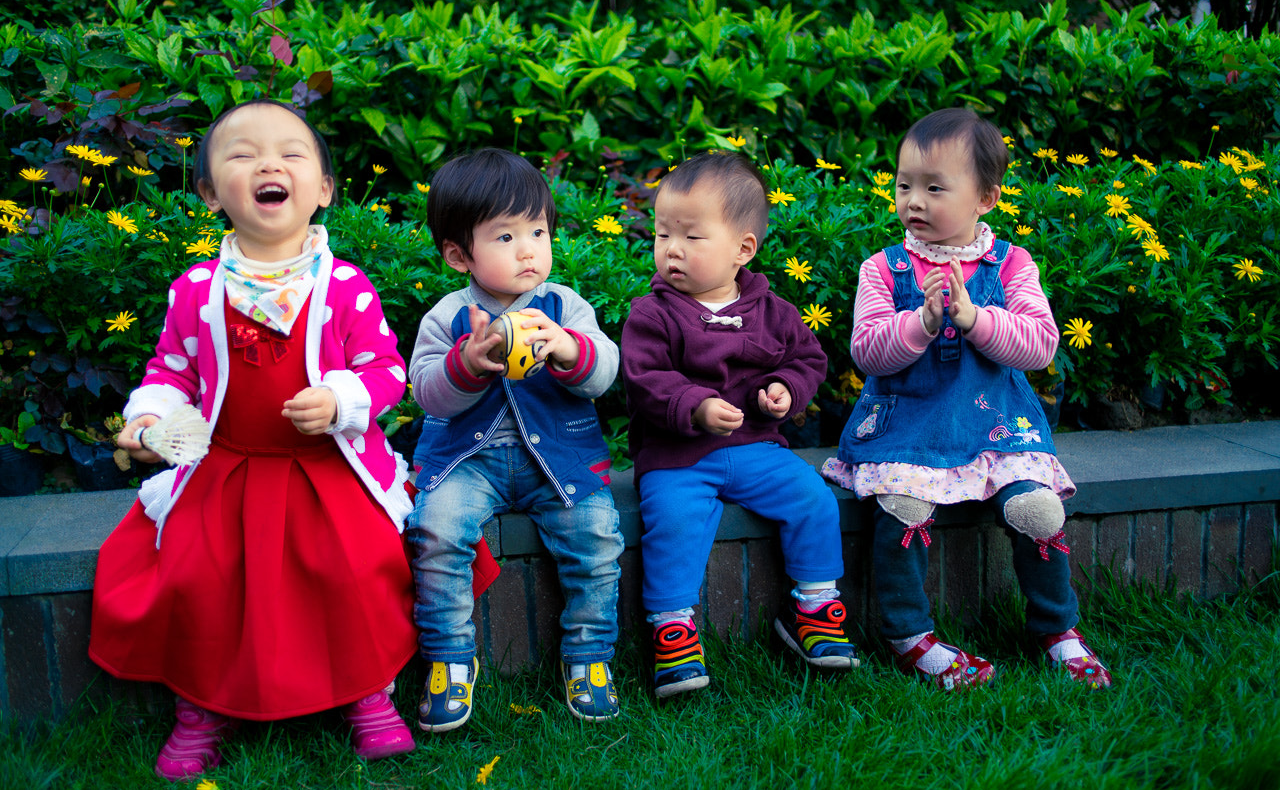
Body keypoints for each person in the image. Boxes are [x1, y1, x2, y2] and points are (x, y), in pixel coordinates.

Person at [91, 99, 420, 780]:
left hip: (325, 470)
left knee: (355, 566)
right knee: (196, 573)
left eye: (291, 152)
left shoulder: (346, 288)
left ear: (324, 190)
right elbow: (169, 372)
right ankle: (200, 707)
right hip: (227, 469)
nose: (269, 163)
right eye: (242, 154)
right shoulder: (198, 289)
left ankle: (368, 695)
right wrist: (151, 418)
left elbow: (387, 371)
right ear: (211, 192)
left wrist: (341, 399)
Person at [822, 107, 1112, 690]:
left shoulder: (1011, 265)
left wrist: (975, 318)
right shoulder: (883, 269)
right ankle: (909, 635)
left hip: (995, 425)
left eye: (935, 188)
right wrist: (922, 323)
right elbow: (867, 353)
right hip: (908, 425)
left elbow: (1039, 345)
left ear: (985, 197)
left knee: (1038, 510)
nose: (914, 201)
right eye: (905, 185)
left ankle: (1058, 629)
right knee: (902, 507)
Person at [622, 151, 858, 699]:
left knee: (812, 500)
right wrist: (695, 405)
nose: (671, 249)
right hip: (678, 455)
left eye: (691, 237)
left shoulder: (773, 310)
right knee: (674, 520)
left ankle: (815, 607)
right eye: (662, 234)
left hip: (756, 447)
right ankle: (672, 628)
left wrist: (785, 391)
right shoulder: (652, 314)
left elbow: (807, 360)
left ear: (742, 249)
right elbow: (644, 377)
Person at [406, 148, 624, 730]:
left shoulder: (564, 307)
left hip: (558, 461)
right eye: (505, 237)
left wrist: (570, 349)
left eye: (537, 230)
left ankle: (590, 657)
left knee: (597, 539)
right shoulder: (448, 317)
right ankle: (449, 658)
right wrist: (469, 363)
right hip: (469, 462)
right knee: (436, 531)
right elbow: (425, 391)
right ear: (459, 254)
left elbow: (605, 373)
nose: (529, 248)